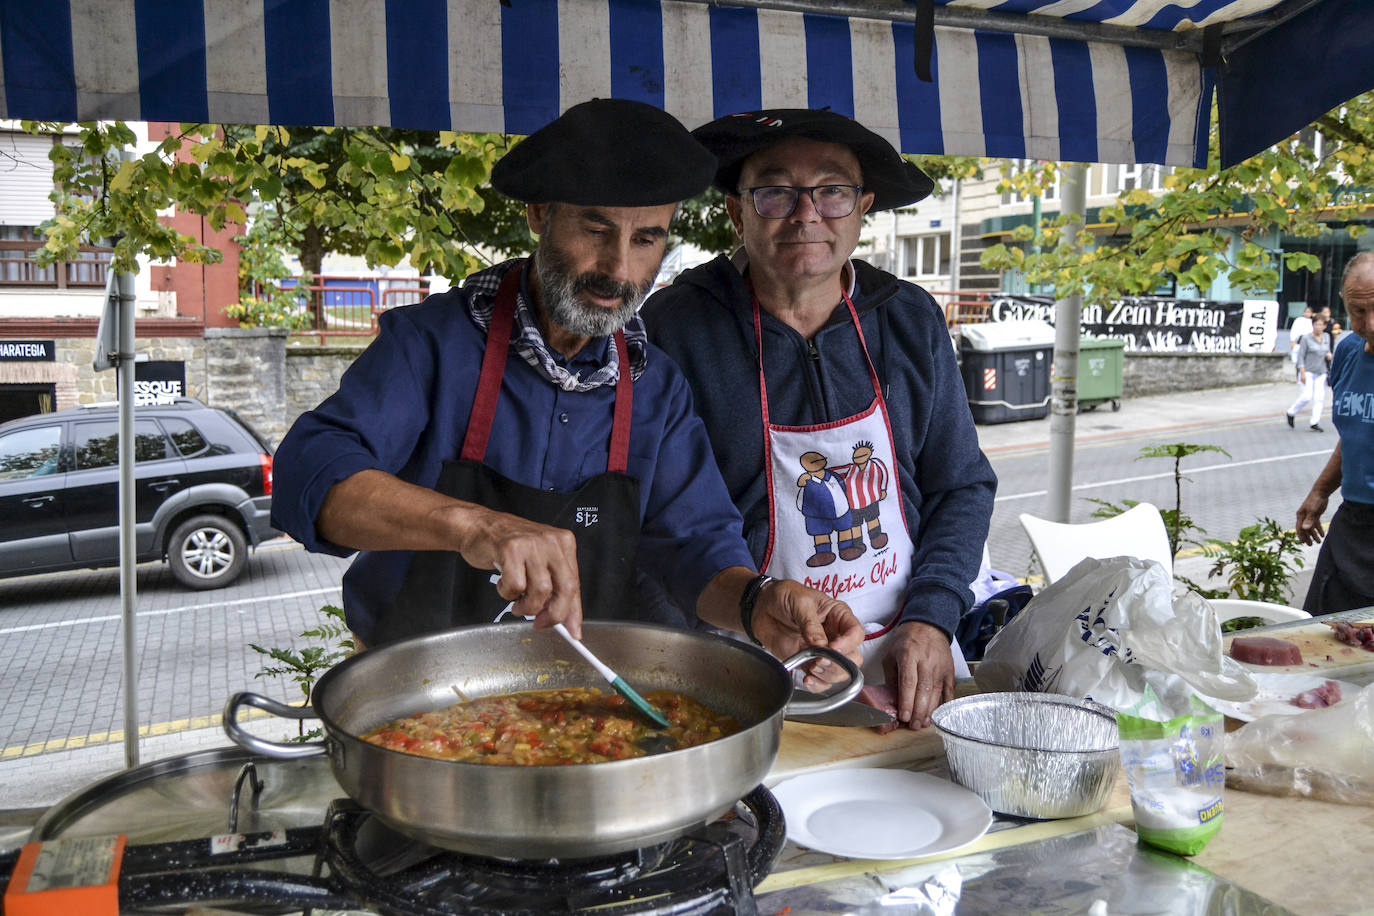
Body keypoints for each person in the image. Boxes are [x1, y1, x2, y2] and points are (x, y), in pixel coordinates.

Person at [270, 99, 863, 682]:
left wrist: (757, 603)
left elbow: (698, 548)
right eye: (596, 227)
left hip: (582, 698)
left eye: (647, 239)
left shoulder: (654, 388)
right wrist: (478, 527)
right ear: (539, 213)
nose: (618, 269)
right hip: (412, 696)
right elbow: (309, 471)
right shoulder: (432, 344)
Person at [642, 109, 997, 729]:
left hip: (903, 653)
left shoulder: (909, 319)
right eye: (775, 191)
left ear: (862, 208)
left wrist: (932, 617)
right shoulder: (674, 330)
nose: (806, 214)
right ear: (736, 211)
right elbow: (659, 521)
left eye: (832, 191)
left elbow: (961, 485)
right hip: (739, 659)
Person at [1296, 251, 1374, 614]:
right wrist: (1321, 490)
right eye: (1358, 311)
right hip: (1354, 521)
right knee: (1321, 635)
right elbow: (1358, 431)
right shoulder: (1347, 352)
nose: (1369, 323)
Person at [1285, 314, 1330, 432]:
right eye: (1316, 324)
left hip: (1321, 371)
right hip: (1308, 371)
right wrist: (1302, 372)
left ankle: (1315, 422)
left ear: (1325, 326)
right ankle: (1291, 412)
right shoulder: (1306, 338)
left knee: (1319, 398)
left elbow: (1327, 351)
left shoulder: (1326, 337)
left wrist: (1328, 355)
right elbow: (1300, 356)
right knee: (1306, 396)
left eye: (1321, 324)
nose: (1318, 327)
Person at [1288, 304, 1314, 378]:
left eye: (1309, 312)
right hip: (1300, 341)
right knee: (1298, 360)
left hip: (1309, 342)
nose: (1307, 314)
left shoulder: (1312, 321)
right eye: (1306, 312)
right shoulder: (1299, 320)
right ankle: (1298, 375)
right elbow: (1294, 331)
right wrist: (1292, 341)